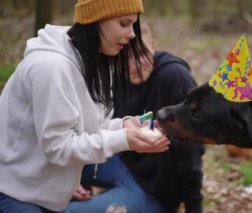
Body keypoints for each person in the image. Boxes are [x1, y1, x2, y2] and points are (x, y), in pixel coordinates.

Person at [0, 0, 171, 212]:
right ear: (95, 19)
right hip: (15, 196)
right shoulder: (51, 67)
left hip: (47, 197)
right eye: (124, 23)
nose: (132, 34)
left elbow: (86, 126)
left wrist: (124, 126)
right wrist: (123, 139)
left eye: (133, 25)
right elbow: (58, 146)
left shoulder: (95, 60)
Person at [68, 22, 205, 213]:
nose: (134, 66)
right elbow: (91, 129)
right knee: (57, 170)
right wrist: (70, 179)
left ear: (153, 45)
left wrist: (194, 206)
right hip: (121, 159)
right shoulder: (114, 74)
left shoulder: (174, 78)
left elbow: (191, 151)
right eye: (125, 58)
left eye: (141, 54)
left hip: (153, 189)